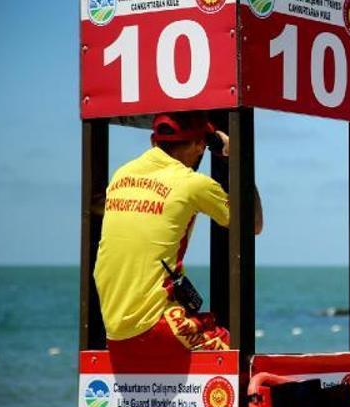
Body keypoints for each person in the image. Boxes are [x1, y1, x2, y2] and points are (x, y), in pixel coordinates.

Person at [93, 111, 262, 356]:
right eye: (202, 144)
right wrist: (236, 158)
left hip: (114, 329)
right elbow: (254, 224)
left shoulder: (122, 175)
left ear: (153, 141)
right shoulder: (192, 183)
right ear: (200, 144)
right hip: (155, 326)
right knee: (236, 352)